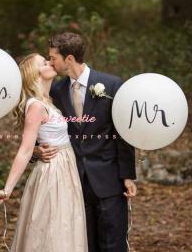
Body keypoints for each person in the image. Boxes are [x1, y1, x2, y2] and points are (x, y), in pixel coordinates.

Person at [33, 32, 137, 252]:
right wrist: (36, 151)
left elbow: (123, 132)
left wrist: (127, 175)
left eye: (53, 57)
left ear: (69, 58)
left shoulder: (111, 84)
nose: (50, 61)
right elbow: (41, 127)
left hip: (108, 178)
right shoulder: (56, 90)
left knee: (113, 242)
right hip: (72, 179)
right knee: (83, 242)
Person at [0, 53, 88, 252]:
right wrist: (7, 189)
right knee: (52, 229)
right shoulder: (36, 106)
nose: (51, 62)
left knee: (65, 227)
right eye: (44, 62)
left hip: (65, 169)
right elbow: (24, 150)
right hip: (53, 173)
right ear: (34, 75)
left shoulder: (48, 102)